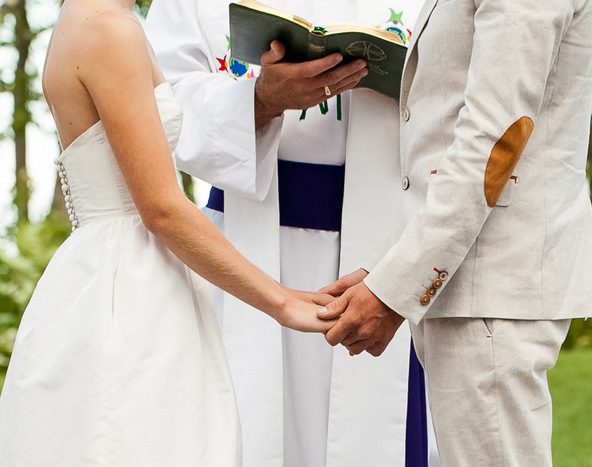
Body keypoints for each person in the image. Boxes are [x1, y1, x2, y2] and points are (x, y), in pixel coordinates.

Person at [0, 0, 336, 465]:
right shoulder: (112, 31)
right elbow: (161, 209)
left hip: (104, 271)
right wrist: (281, 301)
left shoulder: (82, 19)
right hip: (133, 287)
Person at [145, 1, 441, 466]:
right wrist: (261, 101)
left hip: (384, 247)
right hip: (244, 253)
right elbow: (157, 107)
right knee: (241, 430)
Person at [320, 0, 592, 465]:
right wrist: (388, 268)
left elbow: (494, 140)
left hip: (494, 279)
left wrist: (396, 289)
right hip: (471, 278)